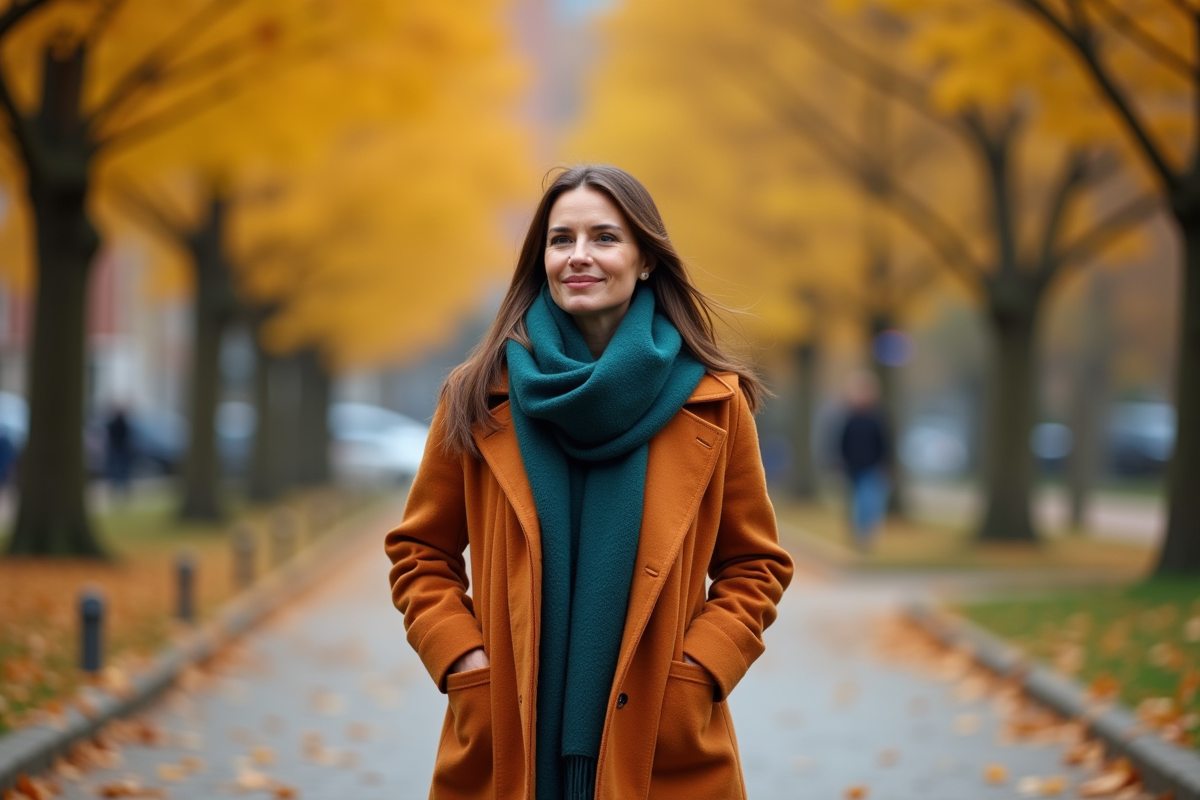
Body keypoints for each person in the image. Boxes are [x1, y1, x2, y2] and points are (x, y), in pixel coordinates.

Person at [385, 165, 794, 800]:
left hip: (663, 743)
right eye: (560, 239)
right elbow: (420, 553)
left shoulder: (713, 400)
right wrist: (463, 660)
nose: (579, 256)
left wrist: (700, 670)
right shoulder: (475, 394)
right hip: (508, 740)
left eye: (604, 237)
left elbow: (755, 564)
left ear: (646, 260)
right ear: (540, 258)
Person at [837, 371, 892, 551]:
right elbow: (842, 442)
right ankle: (858, 534)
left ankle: (867, 536)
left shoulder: (877, 418)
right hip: (853, 467)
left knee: (869, 502)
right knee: (856, 504)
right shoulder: (850, 418)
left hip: (872, 467)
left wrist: (886, 464)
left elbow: (884, 442)